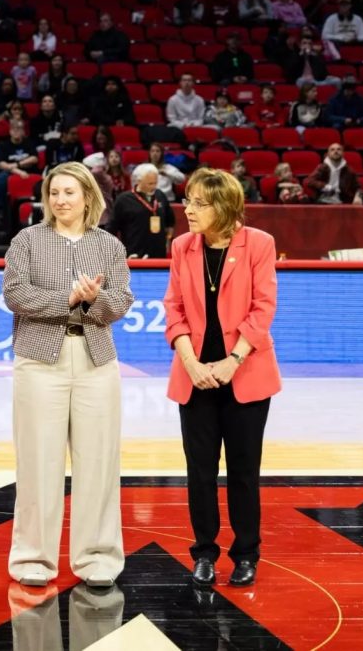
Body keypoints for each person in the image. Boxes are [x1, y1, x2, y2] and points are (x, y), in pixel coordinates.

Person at [3, 161, 132, 587]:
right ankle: (32, 560)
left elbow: (123, 300)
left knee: (98, 462)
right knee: (39, 462)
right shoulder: (26, 240)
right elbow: (15, 293)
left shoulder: (109, 246)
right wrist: (67, 297)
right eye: (54, 193)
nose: (60, 200)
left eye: (69, 193)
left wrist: (94, 302)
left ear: (88, 198)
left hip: (96, 359)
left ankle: (98, 559)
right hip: (40, 362)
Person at [163, 168, 281, 588]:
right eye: (187, 200)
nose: (187, 209)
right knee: (200, 472)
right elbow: (173, 307)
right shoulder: (181, 246)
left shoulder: (259, 244)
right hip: (194, 375)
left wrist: (233, 360)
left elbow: (263, 308)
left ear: (225, 206)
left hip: (245, 373)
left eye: (198, 203)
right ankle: (204, 554)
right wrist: (191, 363)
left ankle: (246, 553)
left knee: (244, 471)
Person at [110, 163, 175, 258]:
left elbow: (170, 222)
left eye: (155, 183)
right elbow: (111, 230)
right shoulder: (123, 200)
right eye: (150, 183)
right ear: (138, 181)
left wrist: (168, 240)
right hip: (134, 255)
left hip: (159, 255)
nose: (154, 187)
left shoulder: (160, 195)